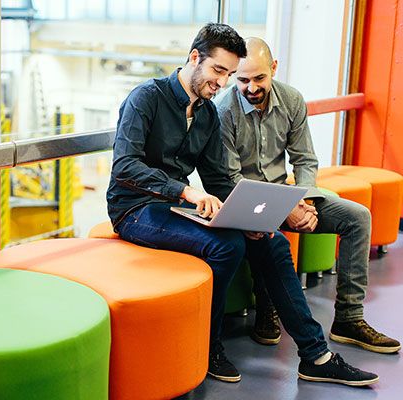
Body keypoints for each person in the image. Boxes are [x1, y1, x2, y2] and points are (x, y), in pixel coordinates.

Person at [107, 23, 379, 386]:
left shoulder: (205, 114)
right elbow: (125, 165)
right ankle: (208, 346)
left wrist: (253, 216)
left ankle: (316, 354)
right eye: (218, 71)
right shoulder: (147, 97)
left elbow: (219, 178)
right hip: (135, 208)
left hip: (175, 206)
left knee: (271, 240)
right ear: (194, 58)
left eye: (228, 74)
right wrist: (185, 191)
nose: (222, 83)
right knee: (226, 246)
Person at [215, 37, 400, 354]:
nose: (251, 87)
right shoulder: (224, 111)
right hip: (245, 201)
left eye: (259, 78)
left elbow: (305, 160)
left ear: (274, 68)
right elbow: (231, 178)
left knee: (358, 218)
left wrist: (305, 202)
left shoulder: (291, 100)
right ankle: (267, 308)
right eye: (243, 79)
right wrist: (283, 210)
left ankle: (348, 319)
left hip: (288, 194)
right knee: (268, 234)